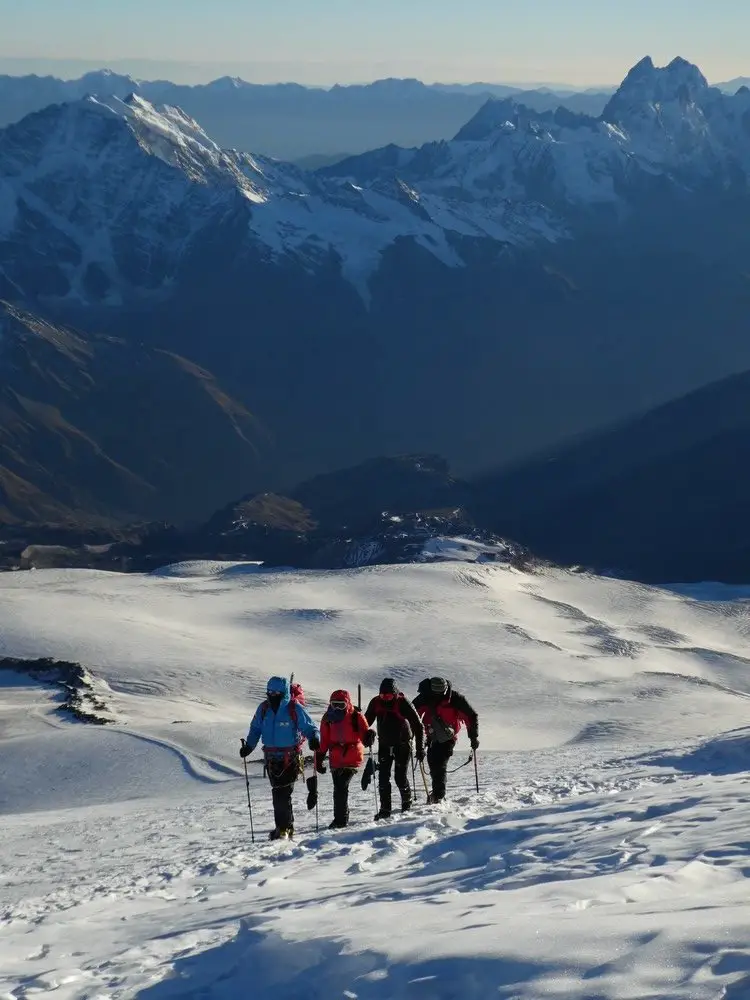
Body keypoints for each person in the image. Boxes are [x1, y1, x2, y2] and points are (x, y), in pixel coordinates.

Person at [240, 675, 320, 840]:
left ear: (283, 692)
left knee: (281, 793)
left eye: (276, 692)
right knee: (281, 793)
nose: (272, 694)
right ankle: (286, 827)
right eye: (269, 691)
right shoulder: (263, 709)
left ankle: (282, 829)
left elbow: (310, 727)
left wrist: (314, 738)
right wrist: (249, 746)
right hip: (271, 758)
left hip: (290, 757)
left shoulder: (294, 708)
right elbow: (255, 729)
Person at [364, 678, 424, 820]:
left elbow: (418, 725)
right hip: (384, 744)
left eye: (389, 696)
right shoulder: (375, 702)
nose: (385, 699)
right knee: (383, 778)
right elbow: (365, 722)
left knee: (400, 777)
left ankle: (406, 802)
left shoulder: (403, 703)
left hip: (403, 744)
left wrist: (420, 748)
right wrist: (367, 734)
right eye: (382, 696)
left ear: (395, 694)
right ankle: (385, 810)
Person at [413, 676, 479, 803]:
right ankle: (437, 793)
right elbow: (411, 715)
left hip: (448, 738)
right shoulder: (424, 697)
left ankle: (438, 795)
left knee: (439, 763)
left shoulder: (455, 699)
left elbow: (471, 716)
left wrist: (473, 737)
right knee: (433, 762)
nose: (439, 696)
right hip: (432, 737)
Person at [316, 689, 375, 829]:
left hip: (352, 756)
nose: (337, 708)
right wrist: (319, 758)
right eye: (334, 704)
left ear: (347, 704)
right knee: (338, 788)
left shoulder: (356, 716)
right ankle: (342, 816)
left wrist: (369, 735)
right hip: (335, 757)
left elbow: (364, 737)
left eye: (341, 705)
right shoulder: (327, 718)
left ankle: (340, 820)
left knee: (341, 786)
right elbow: (324, 740)